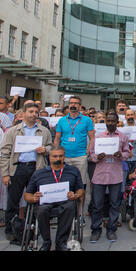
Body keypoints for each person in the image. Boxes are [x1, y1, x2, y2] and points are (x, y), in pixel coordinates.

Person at [0, 103, 53, 242]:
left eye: (36, 112)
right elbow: (5, 153)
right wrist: (5, 174)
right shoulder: (13, 131)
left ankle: (33, 229)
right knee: (13, 201)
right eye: (31, 111)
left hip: (36, 168)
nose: (34, 114)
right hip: (18, 168)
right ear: (23, 113)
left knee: (36, 200)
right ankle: (11, 230)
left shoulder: (44, 131)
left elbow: (51, 146)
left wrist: (45, 149)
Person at [24, 145, 85, 251]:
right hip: (45, 203)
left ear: (64, 156)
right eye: (55, 156)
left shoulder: (73, 171)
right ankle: (46, 242)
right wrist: (33, 198)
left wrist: (76, 195)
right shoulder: (39, 173)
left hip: (66, 201)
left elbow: (81, 189)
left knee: (69, 207)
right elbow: (27, 194)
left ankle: (61, 243)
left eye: (61, 156)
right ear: (49, 157)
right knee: (42, 210)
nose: (58, 159)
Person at [89, 112, 130, 242]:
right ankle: (96, 229)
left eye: (113, 121)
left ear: (117, 122)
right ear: (106, 121)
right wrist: (97, 157)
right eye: (108, 121)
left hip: (115, 174)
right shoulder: (99, 136)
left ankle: (111, 229)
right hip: (100, 174)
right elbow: (91, 154)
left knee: (115, 204)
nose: (110, 123)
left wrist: (121, 155)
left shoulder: (122, 137)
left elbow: (127, 153)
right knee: (97, 204)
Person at [54, 96, 94, 213]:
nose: (73, 105)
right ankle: (62, 212)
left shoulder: (87, 120)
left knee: (80, 186)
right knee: (62, 185)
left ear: (80, 106)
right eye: (71, 103)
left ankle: (80, 213)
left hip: (80, 157)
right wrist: (56, 153)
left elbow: (92, 138)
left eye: (76, 103)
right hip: (64, 157)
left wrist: (88, 150)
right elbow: (57, 138)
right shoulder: (62, 120)